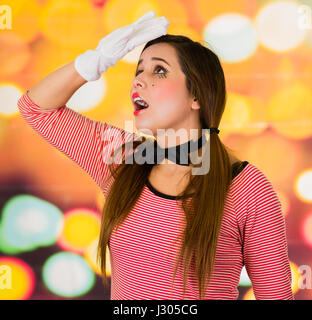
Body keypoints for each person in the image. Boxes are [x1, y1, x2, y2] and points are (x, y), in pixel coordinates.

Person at [17, 11, 294, 300]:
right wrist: (95, 60)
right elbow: (36, 109)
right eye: (138, 71)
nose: (138, 81)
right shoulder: (124, 158)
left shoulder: (247, 187)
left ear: (196, 95)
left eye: (158, 71)